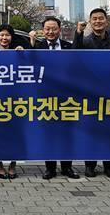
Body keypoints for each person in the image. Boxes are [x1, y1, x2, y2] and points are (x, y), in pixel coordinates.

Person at [74, 8, 110, 178]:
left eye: (101, 18)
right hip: (90, 92)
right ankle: (90, 165)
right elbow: (75, 54)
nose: (98, 21)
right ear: (90, 22)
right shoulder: (84, 41)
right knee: (91, 131)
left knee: (109, 131)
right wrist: (78, 32)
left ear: (106, 21)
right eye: (95, 19)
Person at [32, 16, 79, 180]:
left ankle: (67, 167)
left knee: (67, 133)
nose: (50, 32)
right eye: (47, 29)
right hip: (45, 97)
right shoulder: (36, 47)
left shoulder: (69, 47)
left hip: (66, 98)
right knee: (49, 134)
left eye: (54, 29)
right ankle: (50, 168)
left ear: (59, 30)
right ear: (42, 31)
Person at [0, 24, 23, 179]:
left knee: (15, 133)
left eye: (7, 35)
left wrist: (24, 54)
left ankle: (13, 164)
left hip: (17, 102)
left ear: (11, 37)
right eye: (1, 35)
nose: (4, 38)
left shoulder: (19, 53)